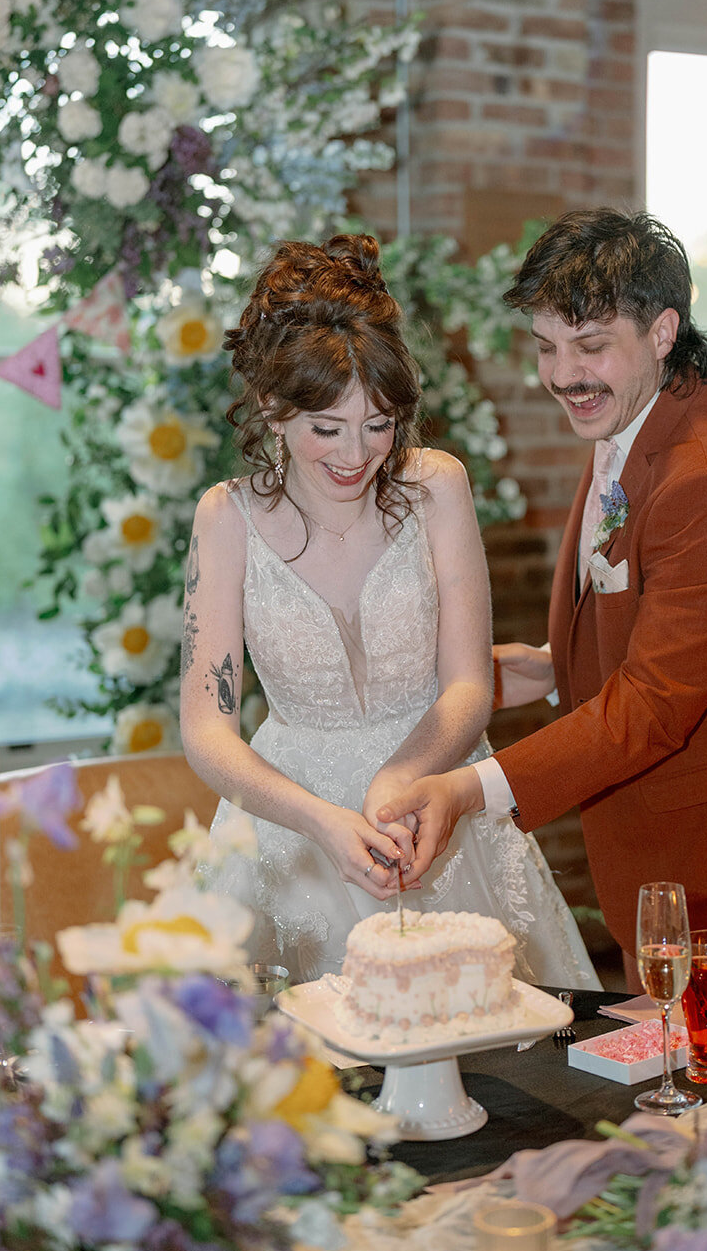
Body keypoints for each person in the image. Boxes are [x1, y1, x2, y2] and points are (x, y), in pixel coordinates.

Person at [378, 208, 707, 989]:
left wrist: (463, 791)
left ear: (661, 331)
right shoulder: (636, 413)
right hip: (655, 857)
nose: (562, 375)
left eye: (589, 346)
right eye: (546, 347)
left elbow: (653, 707)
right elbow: (667, 618)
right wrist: (557, 665)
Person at [179, 231, 597, 988]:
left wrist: (401, 777)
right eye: (326, 429)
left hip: (433, 797)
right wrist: (317, 819)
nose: (355, 454)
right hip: (288, 834)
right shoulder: (226, 519)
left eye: (378, 426)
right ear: (273, 410)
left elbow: (468, 684)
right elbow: (206, 728)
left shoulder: (435, 487)